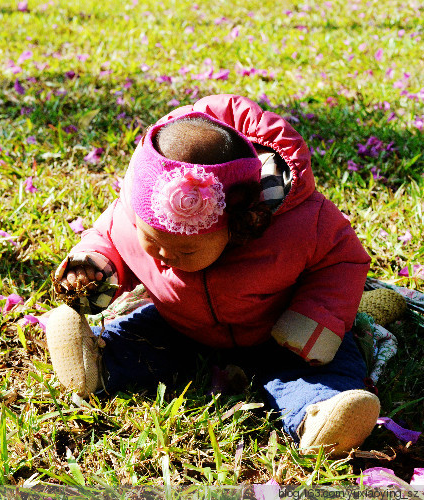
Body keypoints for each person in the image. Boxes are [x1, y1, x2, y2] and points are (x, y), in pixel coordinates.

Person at [46, 94, 380, 454]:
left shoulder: (300, 224)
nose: (164, 255)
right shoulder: (132, 214)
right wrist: (91, 267)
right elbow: (110, 239)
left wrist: (318, 315)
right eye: (151, 240)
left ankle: (320, 415)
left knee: (319, 365)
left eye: (184, 250)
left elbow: (341, 261)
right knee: (141, 340)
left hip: (278, 331)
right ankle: (94, 364)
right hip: (180, 322)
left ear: (238, 228)